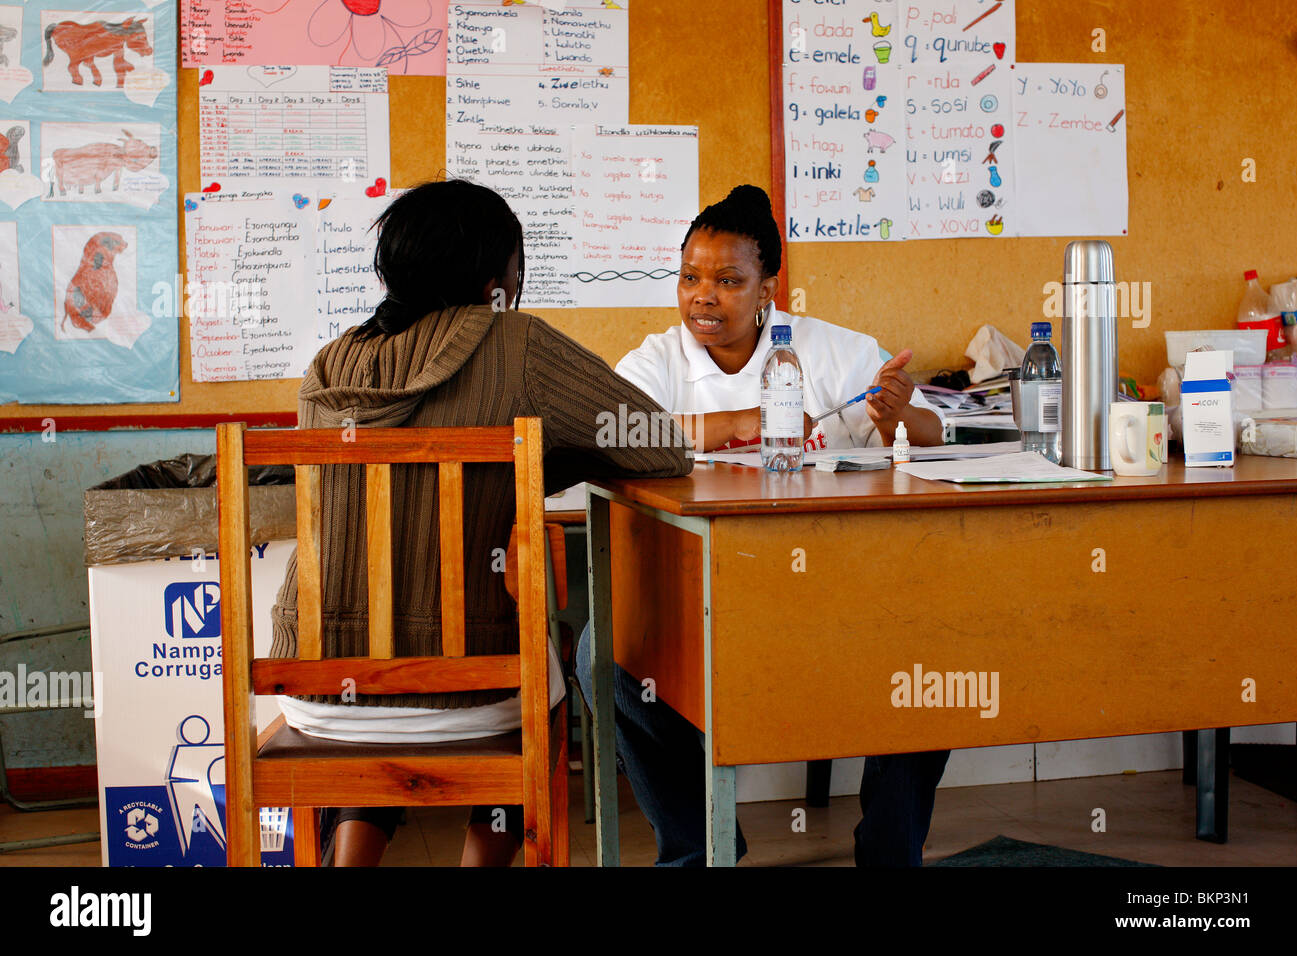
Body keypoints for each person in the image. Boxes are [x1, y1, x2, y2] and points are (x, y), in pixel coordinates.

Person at [268, 180, 691, 866]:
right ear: (499, 277)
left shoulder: (331, 360)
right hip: (467, 690)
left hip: (314, 683)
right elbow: (659, 443)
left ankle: (348, 862)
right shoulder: (514, 341)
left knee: (383, 674)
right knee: (539, 692)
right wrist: (533, 468)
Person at [576, 184, 950, 866]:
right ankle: (699, 845)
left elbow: (930, 430)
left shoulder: (834, 349)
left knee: (934, 632)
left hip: (840, 586)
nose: (702, 297)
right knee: (602, 651)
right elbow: (607, 428)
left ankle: (891, 849)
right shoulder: (659, 359)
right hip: (701, 595)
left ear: (767, 289)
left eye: (727, 280)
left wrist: (899, 416)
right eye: (689, 278)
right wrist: (738, 424)